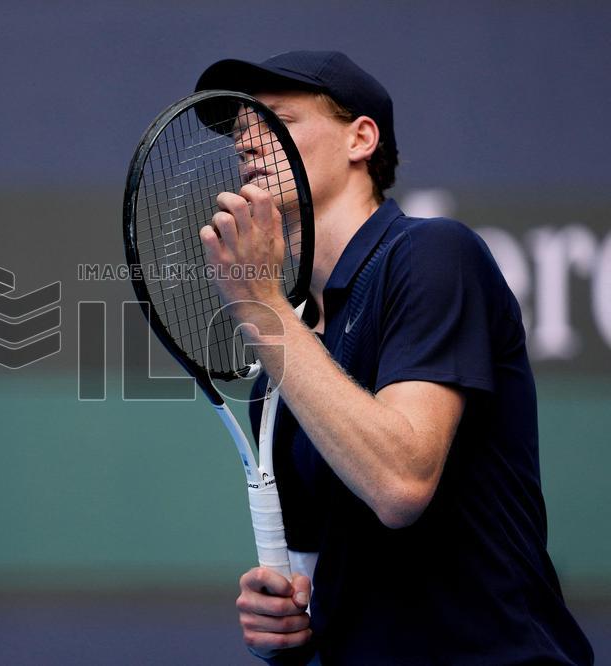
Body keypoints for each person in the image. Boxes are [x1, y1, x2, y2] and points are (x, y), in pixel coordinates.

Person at [194, 51, 594, 665]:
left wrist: (261, 309)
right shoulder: (286, 349)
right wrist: (287, 623)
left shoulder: (433, 254)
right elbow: (314, 581)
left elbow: (401, 484)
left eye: (278, 119)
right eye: (243, 130)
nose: (250, 139)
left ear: (361, 138)